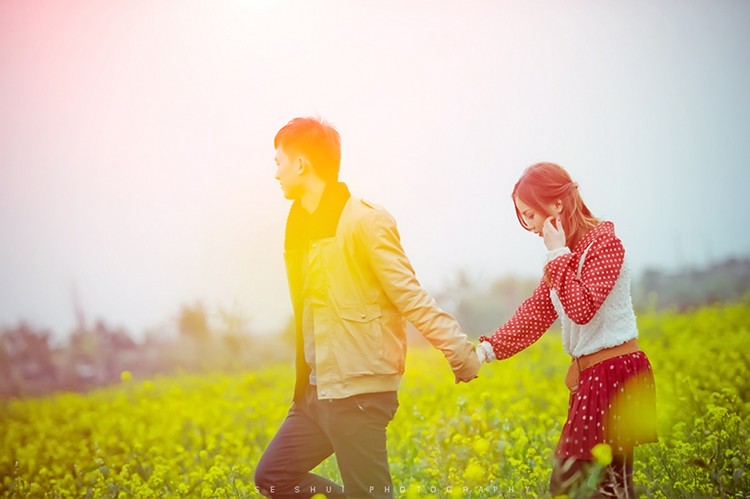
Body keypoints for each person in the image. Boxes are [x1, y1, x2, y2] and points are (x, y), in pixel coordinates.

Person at [254, 116, 481, 498]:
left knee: (370, 493)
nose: (275, 173)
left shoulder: (365, 220)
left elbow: (409, 295)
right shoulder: (299, 227)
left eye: (278, 161)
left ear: (301, 164)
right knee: (273, 476)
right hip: (315, 393)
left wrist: (459, 352)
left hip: (358, 391)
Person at [475, 162, 657, 497]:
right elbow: (535, 313)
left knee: (577, 485)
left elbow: (582, 309)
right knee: (607, 486)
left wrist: (557, 254)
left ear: (556, 205)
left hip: (614, 374)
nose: (527, 226)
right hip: (593, 377)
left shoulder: (605, 245)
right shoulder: (565, 258)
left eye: (529, 214)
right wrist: (484, 351)